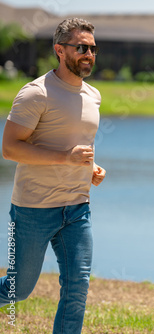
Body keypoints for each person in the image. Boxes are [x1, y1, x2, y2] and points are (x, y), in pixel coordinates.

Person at [0, 18, 105, 333]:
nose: (88, 54)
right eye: (81, 48)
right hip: (34, 210)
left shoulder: (93, 95)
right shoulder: (36, 93)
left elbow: (79, 142)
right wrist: (65, 158)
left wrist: (91, 169)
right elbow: (9, 148)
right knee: (18, 290)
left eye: (93, 49)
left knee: (77, 288)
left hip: (77, 209)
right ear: (60, 50)